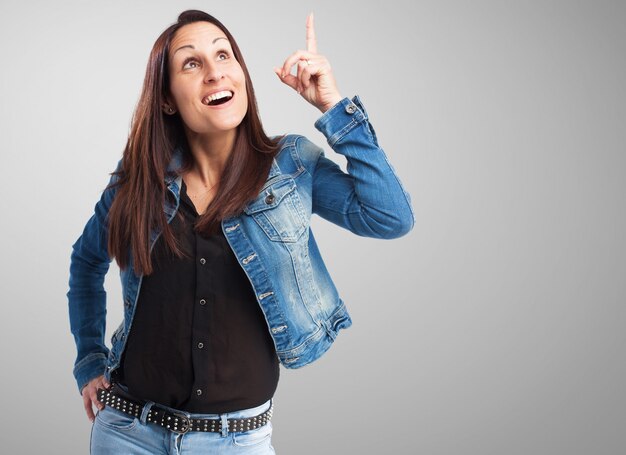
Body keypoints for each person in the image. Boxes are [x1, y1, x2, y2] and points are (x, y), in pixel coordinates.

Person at [67, 9, 414, 454]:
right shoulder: (140, 179)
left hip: (235, 443)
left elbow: (391, 217)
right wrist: (89, 361)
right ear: (168, 98)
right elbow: (86, 260)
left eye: (224, 56)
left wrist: (333, 107)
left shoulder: (290, 165)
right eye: (192, 63)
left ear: (242, 76)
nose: (214, 73)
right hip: (128, 433)